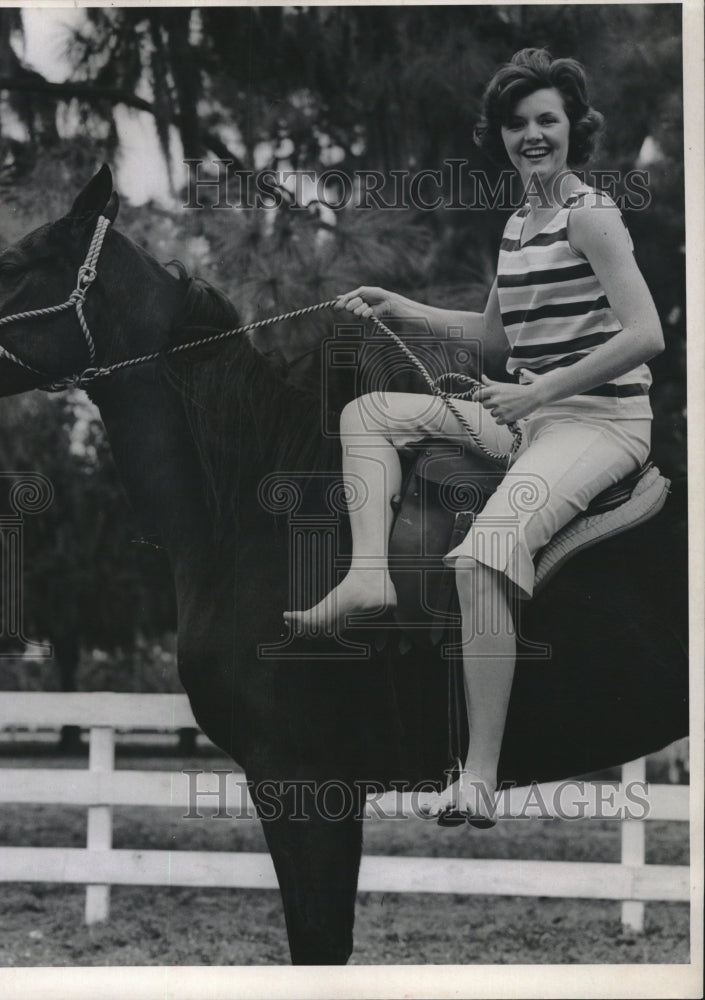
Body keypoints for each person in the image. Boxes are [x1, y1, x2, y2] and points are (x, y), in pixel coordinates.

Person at [283, 47, 664, 824]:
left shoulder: (589, 212)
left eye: (546, 120)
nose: (531, 135)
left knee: (484, 554)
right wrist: (403, 309)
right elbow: (493, 343)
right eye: (516, 123)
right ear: (497, 134)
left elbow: (647, 333)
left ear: (573, 128)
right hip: (533, 421)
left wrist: (539, 394)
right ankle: (366, 577)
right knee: (368, 414)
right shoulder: (519, 221)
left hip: (600, 425)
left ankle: (479, 774)